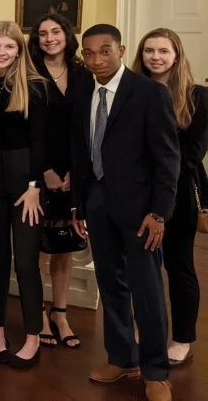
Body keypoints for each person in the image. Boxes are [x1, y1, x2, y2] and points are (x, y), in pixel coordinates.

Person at [70, 24, 179, 401]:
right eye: (89, 52)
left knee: (147, 290)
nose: (97, 59)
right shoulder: (83, 89)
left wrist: (160, 213)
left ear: (121, 49)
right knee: (111, 285)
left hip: (141, 211)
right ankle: (122, 358)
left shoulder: (149, 93)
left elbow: (168, 157)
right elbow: (80, 151)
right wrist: (80, 205)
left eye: (105, 51)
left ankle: (155, 370)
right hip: (97, 202)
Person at [132, 28, 207, 369]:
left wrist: (159, 182)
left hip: (178, 194)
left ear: (176, 55)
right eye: (149, 50)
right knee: (143, 268)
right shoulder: (132, 92)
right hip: (136, 194)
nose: (156, 57)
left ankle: (182, 338)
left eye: (163, 51)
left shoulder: (199, 97)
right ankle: (148, 328)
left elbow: (191, 154)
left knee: (179, 266)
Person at [0, 21, 47, 371]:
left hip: (25, 183)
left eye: (9, 47)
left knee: (25, 263)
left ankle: (33, 335)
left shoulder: (34, 87)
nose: (2, 53)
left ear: (19, 51)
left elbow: (40, 143)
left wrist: (35, 188)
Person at [27, 13, 90, 351]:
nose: (49, 38)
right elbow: (28, 129)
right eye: (42, 33)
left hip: (75, 170)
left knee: (64, 247)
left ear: (67, 35)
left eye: (55, 31)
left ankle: (60, 313)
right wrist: (44, 171)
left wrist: (75, 173)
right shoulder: (29, 73)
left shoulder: (83, 73)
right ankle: (36, 313)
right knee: (37, 245)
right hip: (40, 170)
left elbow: (88, 127)